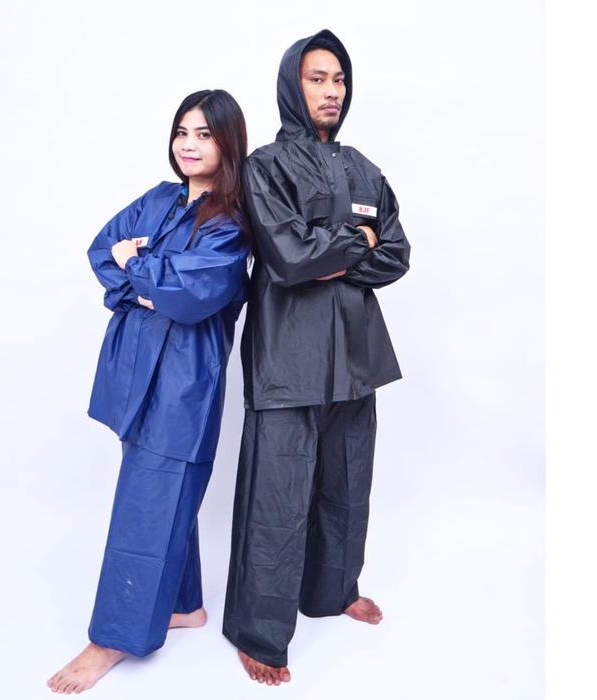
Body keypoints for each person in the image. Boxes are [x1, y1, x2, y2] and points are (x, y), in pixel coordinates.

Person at [222, 29, 411, 685]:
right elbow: (289, 257)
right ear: (291, 85)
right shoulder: (265, 167)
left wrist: (336, 248)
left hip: (357, 357)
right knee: (276, 499)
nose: (332, 91)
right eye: (317, 78)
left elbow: (397, 255)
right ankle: (258, 632)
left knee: (347, 486)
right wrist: (356, 241)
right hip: (288, 360)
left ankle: (333, 591)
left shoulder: (365, 169)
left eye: (339, 79)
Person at [47, 89, 250, 695]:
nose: (189, 144)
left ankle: (113, 637)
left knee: (147, 502)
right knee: (159, 491)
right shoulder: (158, 199)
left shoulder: (232, 220)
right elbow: (100, 251)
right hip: (134, 372)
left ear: (228, 142)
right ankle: (185, 605)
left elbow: (193, 294)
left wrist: (135, 267)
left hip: (184, 380)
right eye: (182, 131)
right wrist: (142, 278)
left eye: (204, 134)